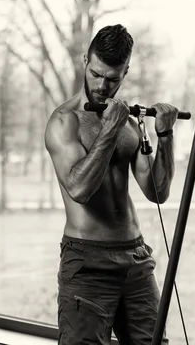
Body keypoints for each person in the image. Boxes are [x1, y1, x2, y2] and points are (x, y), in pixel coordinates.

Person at [44, 24, 178, 344]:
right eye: (97, 73)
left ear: (125, 72)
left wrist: (165, 135)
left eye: (113, 78)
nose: (103, 85)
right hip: (88, 263)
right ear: (85, 61)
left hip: (135, 259)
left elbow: (157, 191)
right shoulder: (64, 122)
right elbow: (79, 189)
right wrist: (109, 130)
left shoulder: (130, 123)